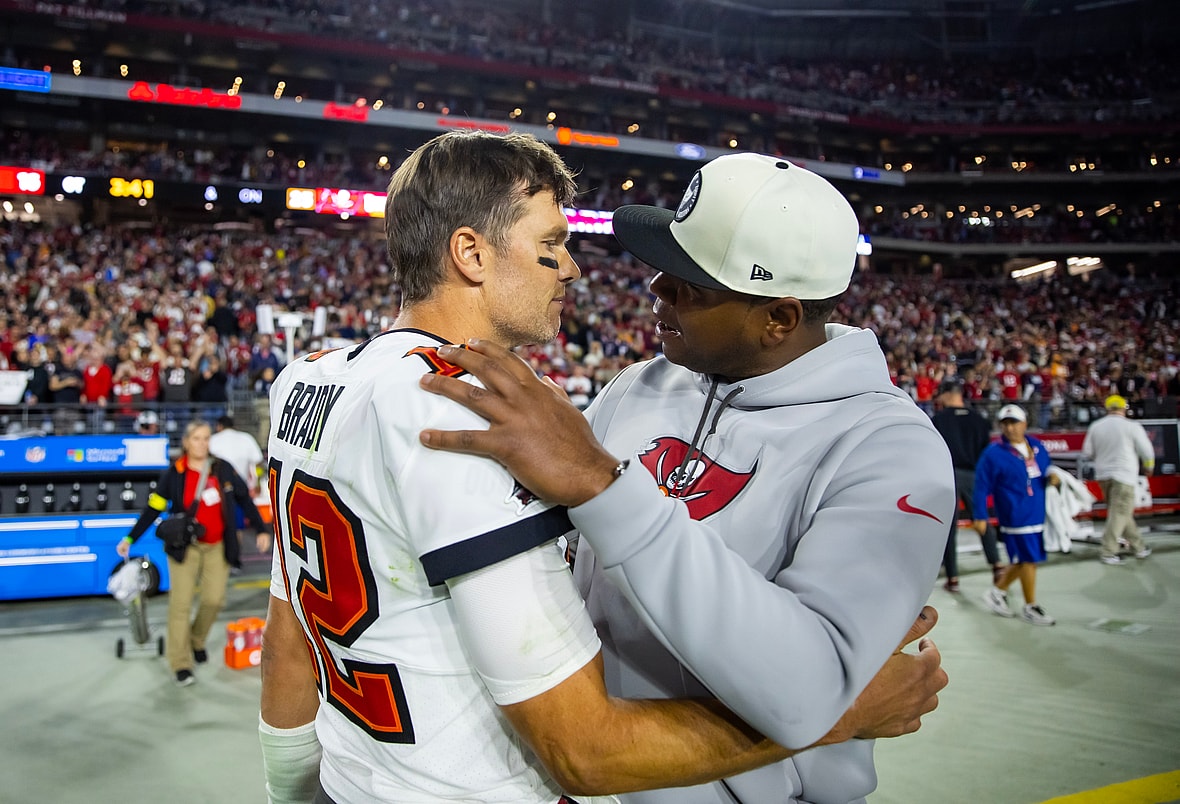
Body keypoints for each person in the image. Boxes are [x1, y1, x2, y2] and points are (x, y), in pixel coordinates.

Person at [259, 134, 947, 804]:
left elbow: (289, 625)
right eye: (551, 246)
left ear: (779, 316)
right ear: (469, 253)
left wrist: (288, 784)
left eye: (690, 284)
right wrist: (837, 714)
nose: (649, 285)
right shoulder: (610, 393)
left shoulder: (888, 448)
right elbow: (586, 748)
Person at [119, 419, 271, 685]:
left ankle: (196, 639)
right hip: (184, 549)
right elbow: (153, 508)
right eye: (197, 438)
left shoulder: (221, 468)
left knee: (214, 600)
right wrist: (130, 537)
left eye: (206, 438)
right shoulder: (174, 474)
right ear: (187, 442)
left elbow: (244, 498)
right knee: (181, 605)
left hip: (217, 547)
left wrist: (260, 529)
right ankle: (180, 663)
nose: (202, 443)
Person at [973, 404, 1061, 626]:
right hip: (1014, 514)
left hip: (1036, 512)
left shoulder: (1037, 446)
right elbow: (981, 486)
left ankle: (997, 591)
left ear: (1024, 424)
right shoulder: (994, 453)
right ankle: (1031, 606)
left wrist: (1052, 477)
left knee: (1025, 560)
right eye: (1005, 424)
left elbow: (1046, 469)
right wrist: (980, 515)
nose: (1010, 428)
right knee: (1029, 560)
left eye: (1014, 423)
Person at [931, 377, 1006, 591]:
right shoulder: (979, 420)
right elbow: (986, 452)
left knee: (949, 528)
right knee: (981, 520)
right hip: (974, 475)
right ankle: (997, 564)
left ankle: (953, 578)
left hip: (948, 475)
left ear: (947, 394)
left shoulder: (939, 419)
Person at [1082, 394, 1155, 565]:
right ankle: (1108, 551)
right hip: (1124, 476)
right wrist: (1149, 467)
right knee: (1120, 513)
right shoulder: (1132, 426)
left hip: (1103, 477)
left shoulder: (1096, 426)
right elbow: (1147, 451)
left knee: (1120, 514)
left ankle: (1139, 547)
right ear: (1124, 408)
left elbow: (1088, 452)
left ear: (1107, 408)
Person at [210, 414, 270, 558]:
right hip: (240, 486)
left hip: (218, 488)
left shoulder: (213, 440)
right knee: (237, 524)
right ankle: (235, 556)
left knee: (222, 523)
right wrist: (257, 483)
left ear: (219, 426)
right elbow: (258, 463)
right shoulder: (246, 439)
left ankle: (227, 556)